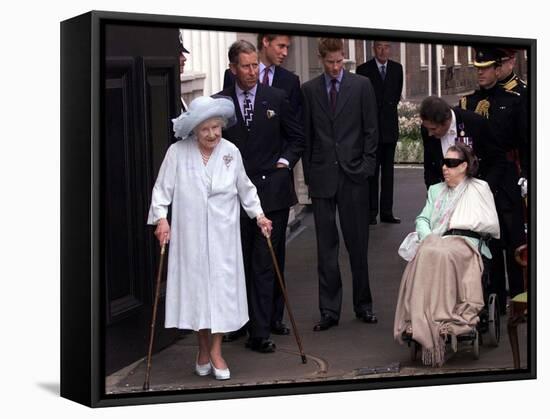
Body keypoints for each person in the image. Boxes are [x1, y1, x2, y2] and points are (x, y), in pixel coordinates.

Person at [147, 95, 273, 380]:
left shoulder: (231, 151)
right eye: (205, 129)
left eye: (216, 127)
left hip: (223, 237)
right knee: (197, 294)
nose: (212, 134)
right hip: (190, 238)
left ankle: (216, 351)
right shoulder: (177, 153)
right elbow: (161, 190)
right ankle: (202, 348)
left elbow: (246, 188)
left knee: (221, 294)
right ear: (194, 130)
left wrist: (260, 216)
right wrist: (162, 219)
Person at [218, 40, 305, 353]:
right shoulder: (221, 103)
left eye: (255, 65)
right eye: (245, 66)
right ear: (233, 69)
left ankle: (261, 330)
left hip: (272, 193)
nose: (253, 72)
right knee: (237, 261)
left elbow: (297, 138)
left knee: (264, 261)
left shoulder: (276, 97)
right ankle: (238, 322)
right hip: (233, 198)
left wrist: (284, 163)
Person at [394, 143, 500, 367]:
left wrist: (446, 235)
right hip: (437, 241)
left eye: (451, 164)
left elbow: (489, 224)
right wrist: (428, 236)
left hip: (466, 242)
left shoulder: (479, 188)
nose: (445, 167)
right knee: (429, 250)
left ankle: (440, 316)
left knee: (439, 253)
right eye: (444, 162)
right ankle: (423, 316)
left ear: (464, 166)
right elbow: (423, 219)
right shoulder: (435, 190)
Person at [301, 38, 379, 330]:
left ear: (344, 58)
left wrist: (367, 167)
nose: (335, 68)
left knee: (358, 244)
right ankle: (329, 311)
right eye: (330, 62)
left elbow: (372, 129)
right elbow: (307, 136)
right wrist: (309, 175)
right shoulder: (308, 90)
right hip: (323, 178)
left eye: (339, 62)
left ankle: (364, 305)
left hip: (354, 175)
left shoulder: (361, 86)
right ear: (321, 59)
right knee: (326, 248)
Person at [459, 47, 527, 307]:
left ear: (498, 69)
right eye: (478, 69)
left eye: (486, 68)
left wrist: (528, 175)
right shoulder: (469, 103)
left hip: (508, 177)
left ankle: (519, 300)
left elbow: (525, 141)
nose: (481, 73)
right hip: (480, 178)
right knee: (489, 241)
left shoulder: (514, 99)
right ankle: (495, 298)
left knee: (513, 240)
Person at [356, 41, 403, 224]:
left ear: (389, 49)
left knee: (388, 173)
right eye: (379, 47)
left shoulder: (397, 69)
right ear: (373, 49)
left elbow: (396, 95)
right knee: (372, 172)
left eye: (386, 47)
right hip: (371, 129)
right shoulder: (363, 70)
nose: (382, 50)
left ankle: (387, 212)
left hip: (390, 128)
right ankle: (371, 212)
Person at [420, 95, 506, 192]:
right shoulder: (427, 130)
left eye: (433, 129)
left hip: (475, 191)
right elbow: (429, 166)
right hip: (445, 195)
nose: (430, 133)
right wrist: (434, 194)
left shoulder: (475, 123)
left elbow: (498, 159)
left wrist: (485, 189)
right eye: (427, 129)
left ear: (446, 120)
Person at [223, 33, 302, 117]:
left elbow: (294, 121)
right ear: (266, 41)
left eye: (287, 47)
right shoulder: (231, 75)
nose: (285, 53)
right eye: (281, 46)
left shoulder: (291, 80)